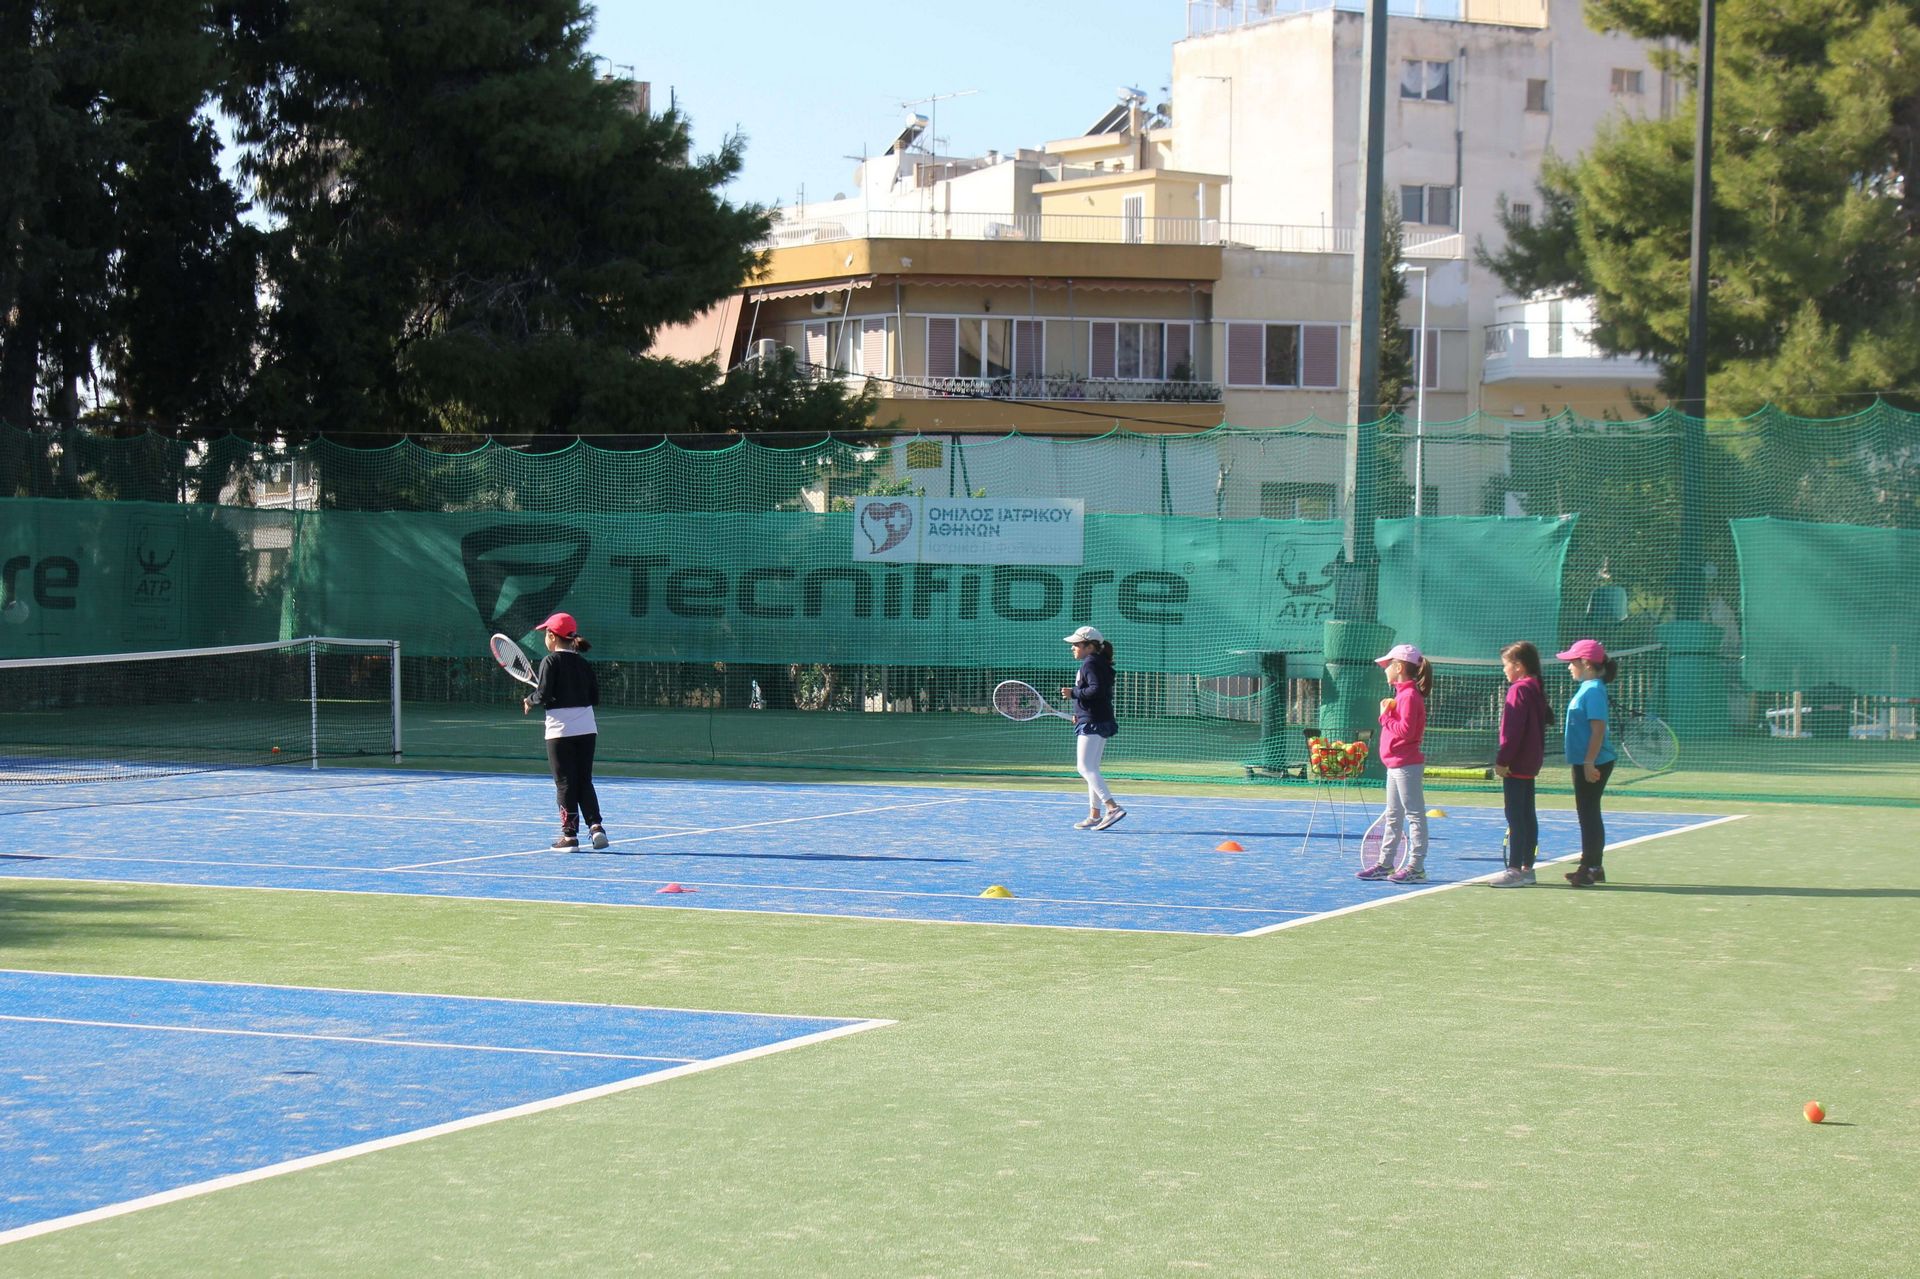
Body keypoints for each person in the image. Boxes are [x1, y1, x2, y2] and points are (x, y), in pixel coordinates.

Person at [523, 611, 608, 851]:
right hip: (587, 730)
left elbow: (543, 694)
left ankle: (569, 837)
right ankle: (596, 827)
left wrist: (530, 700)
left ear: (552, 636)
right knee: (584, 781)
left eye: (545, 634)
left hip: (560, 732)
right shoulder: (583, 663)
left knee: (564, 783)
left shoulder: (550, 661)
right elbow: (594, 698)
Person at [1358, 642, 1432, 883]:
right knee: (1393, 816)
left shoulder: (1409, 695)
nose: (1385, 669)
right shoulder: (1401, 695)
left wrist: (1385, 716)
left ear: (1399, 667)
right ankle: (1385, 864)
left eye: (1388, 664)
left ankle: (1416, 867)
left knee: (1414, 816)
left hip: (1406, 765)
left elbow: (1406, 732)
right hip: (1395, 765)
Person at [1488, 641, 1551, 888]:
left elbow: (1513, 731)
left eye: (1506, 665)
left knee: (1515, 816)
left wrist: (1503, 760)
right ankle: (1527, 868)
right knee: (1527, 816)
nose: (1504, 670)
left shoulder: (1519, 690)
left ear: (1519, 665)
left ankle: (1514, 870)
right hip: (1530, 762)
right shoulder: (1535, 688)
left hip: (1517, 764)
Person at [1558, 638, 1617, 886]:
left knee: (1589, 814)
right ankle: (1593, 865)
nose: (1569, 666)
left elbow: (1598, 729)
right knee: (1588, 813)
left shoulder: (1592, 690)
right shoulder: (1589, 688)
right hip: (1587, 761)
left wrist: (1589, 762)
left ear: (1586, 663)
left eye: (1572, 662)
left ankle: (1590, 867)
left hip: (1593, 762)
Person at [1059, 625, 1125, 831]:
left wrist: (1074, 694)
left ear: (1089, 646)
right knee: (1092, 769)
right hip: (1096, 718)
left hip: (1094, 721)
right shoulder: (1099, 662)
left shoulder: (1090, 663)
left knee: (1084, 768)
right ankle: (1094, 815)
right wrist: (1080, 713)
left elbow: (1095, 690)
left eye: (1077, 644)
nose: (1073, 648)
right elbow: (1099, 694)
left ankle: (1111, 807)